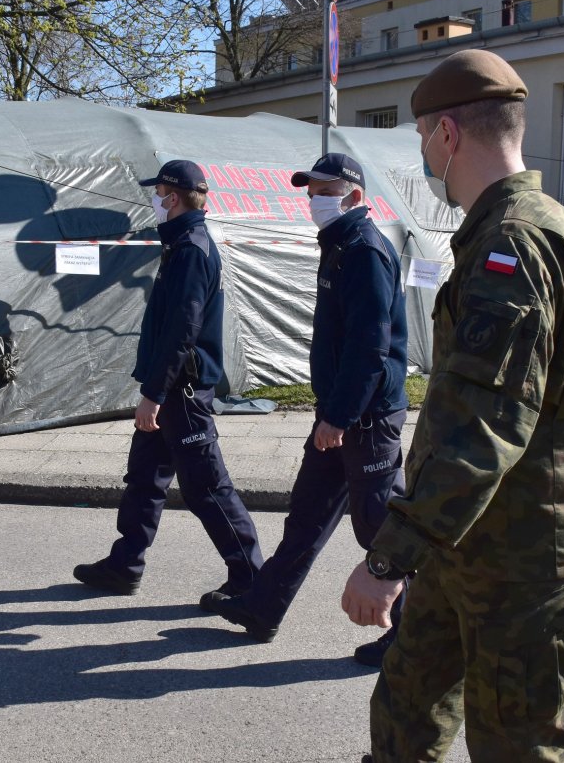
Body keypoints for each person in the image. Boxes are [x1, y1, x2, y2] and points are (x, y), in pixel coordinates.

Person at [341, 49, 564, 762]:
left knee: (517, 743)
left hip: (519, 554)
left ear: (447, 135)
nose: (423, 155)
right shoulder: (563, 230)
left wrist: (387, 560)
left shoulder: (513, 243)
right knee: (406, 709)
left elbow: (484, 424)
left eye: (420, 141)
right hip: (464, 540)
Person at [204, 152, 410, 666]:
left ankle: (413, 640)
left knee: (382, 532)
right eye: (311, 190)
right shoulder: (339, 245)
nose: (314, 200)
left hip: (363, 420)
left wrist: (338, 417)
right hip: (339, 414)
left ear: (355, 197)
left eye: (325, 190)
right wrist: (332, 414)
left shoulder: (364, 251)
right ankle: (262, 607)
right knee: (306, 519)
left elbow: (370, 347)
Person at [74, 159, 263, 600]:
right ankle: (125, 565)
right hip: (171, 388)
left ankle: (251, 579)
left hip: (181, 392)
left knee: (208, 489)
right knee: (145, 478)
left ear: (173, 197)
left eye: (158, 194)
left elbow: (183, 330)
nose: (155, 201)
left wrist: (154, 395)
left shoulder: (192, 250)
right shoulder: (180, 244)